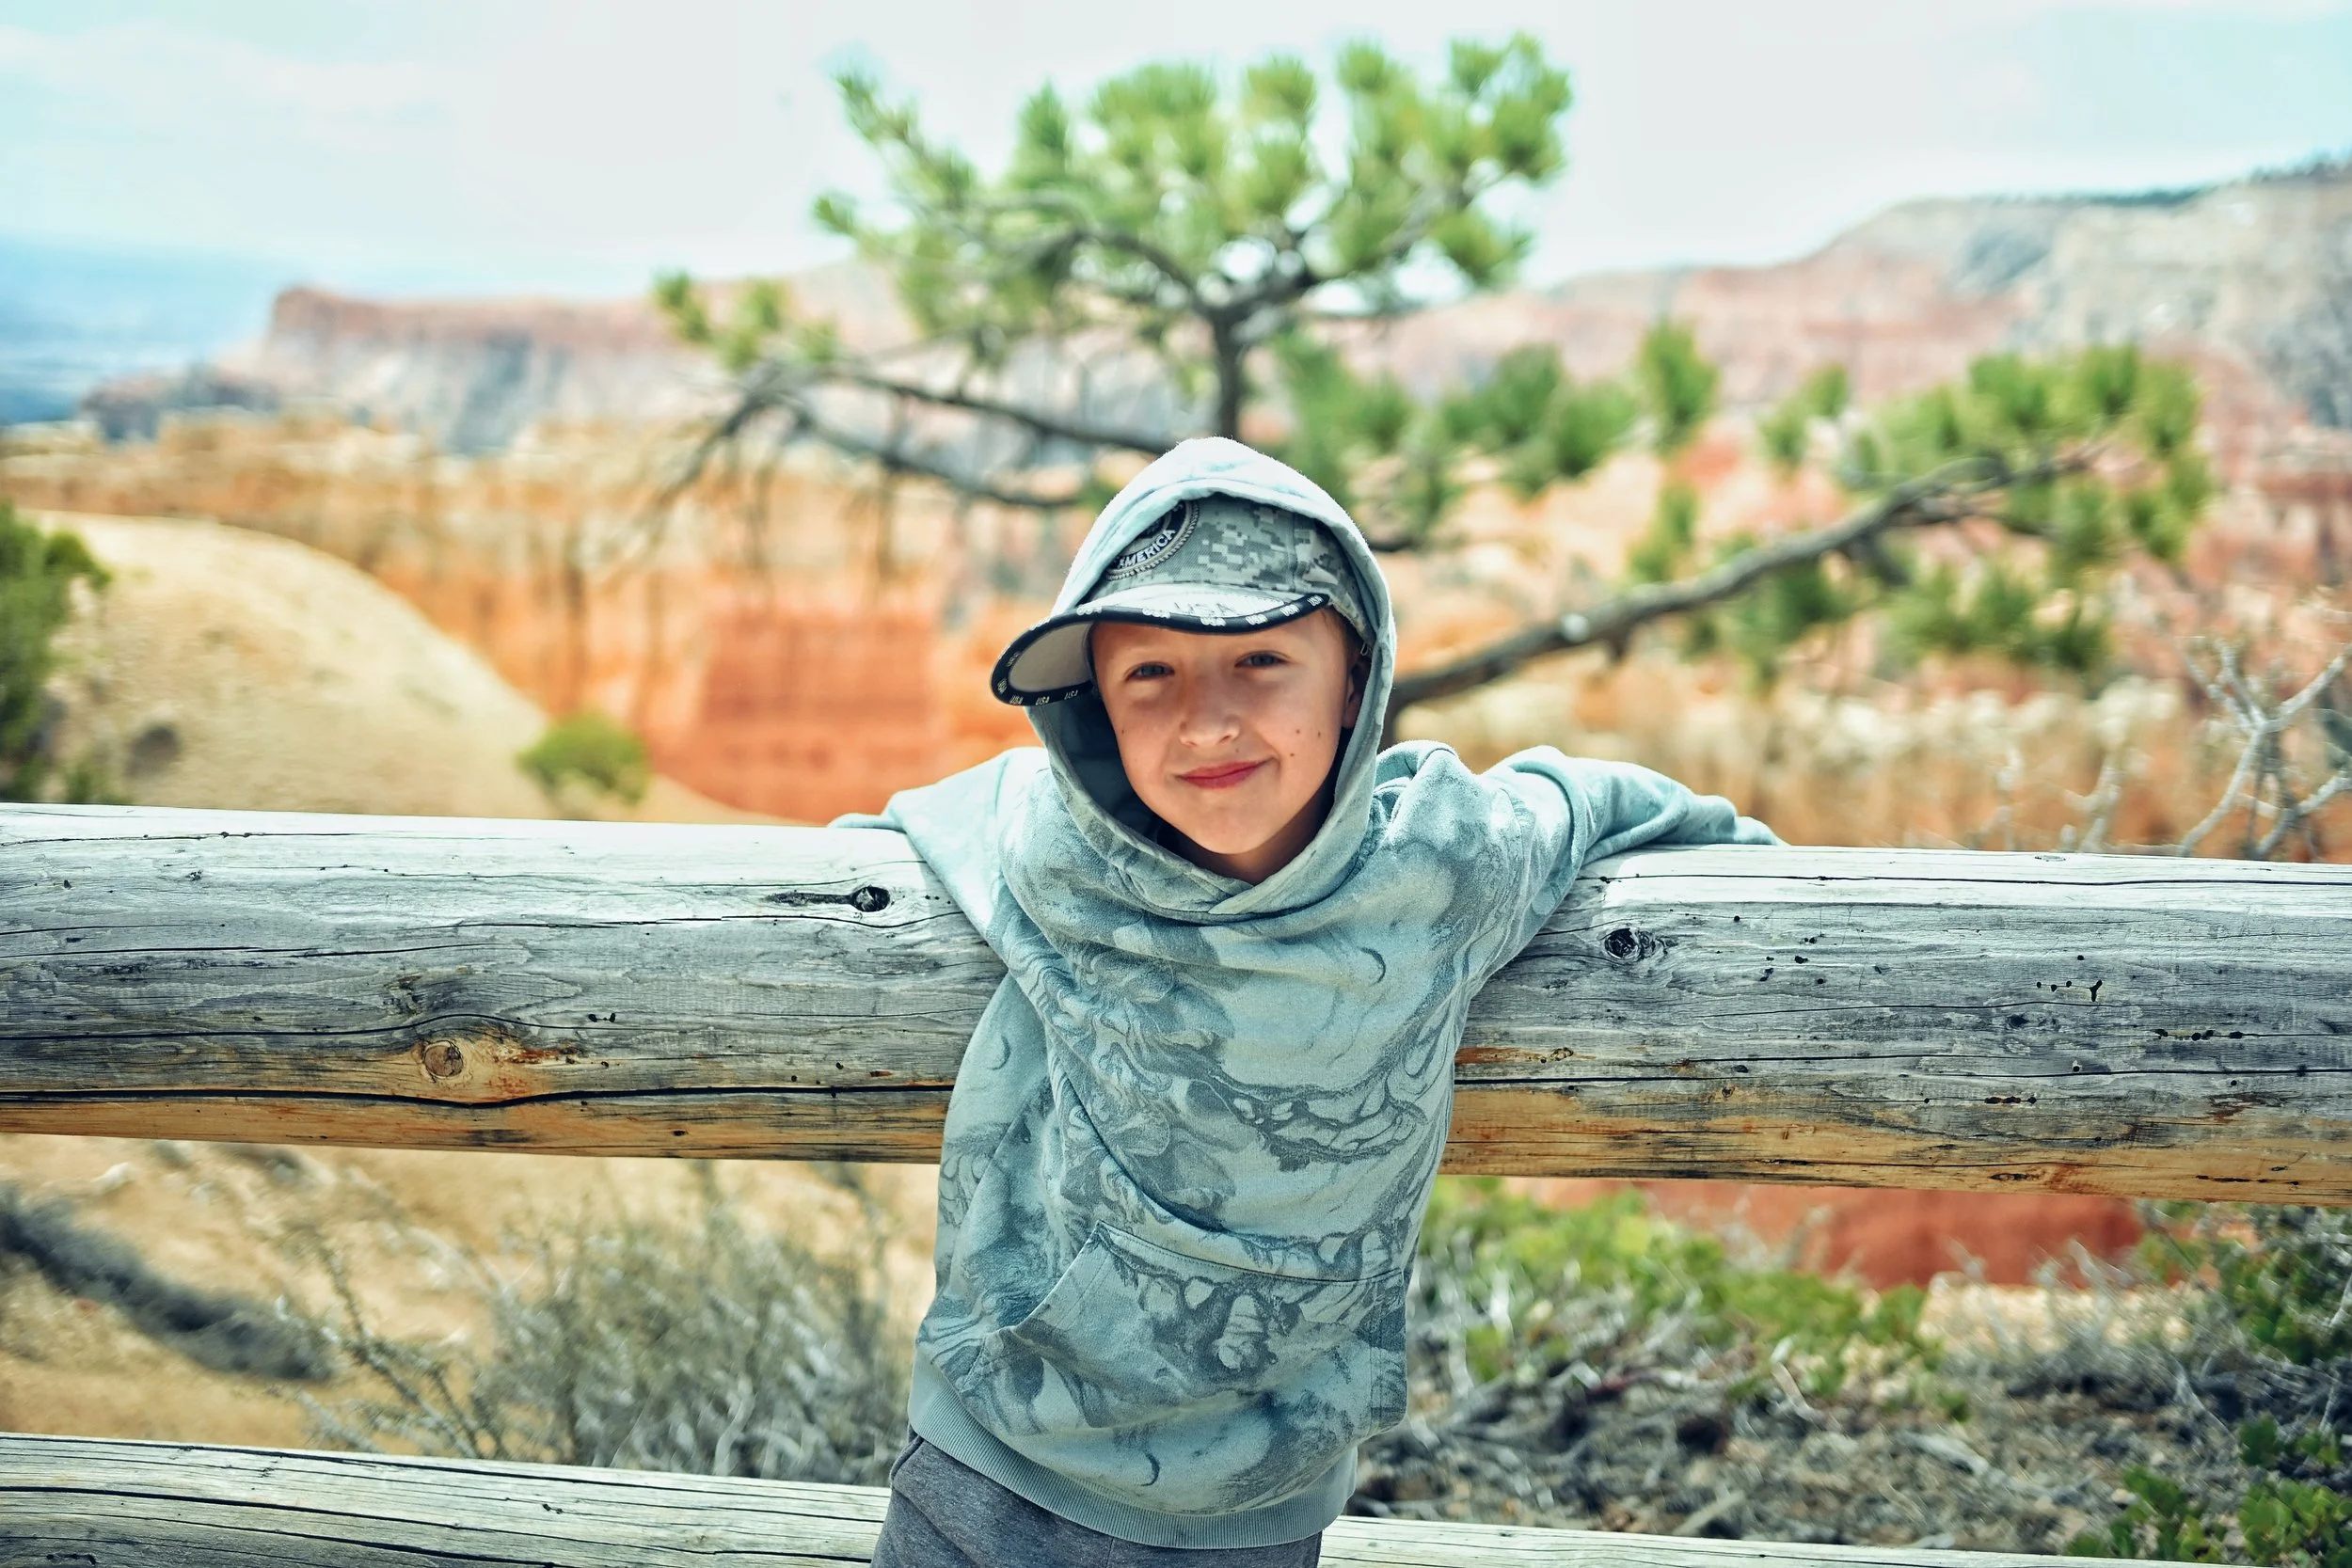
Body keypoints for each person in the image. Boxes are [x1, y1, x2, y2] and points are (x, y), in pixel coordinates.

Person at [842, 437, 1777, 1565]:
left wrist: (1754, 868)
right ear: (1092, 708)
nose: (1207, 721)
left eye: (1261, 662)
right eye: (1151, 674)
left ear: (1354, 678)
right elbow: (908, 826)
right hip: (994, 1463)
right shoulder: (1054, 844)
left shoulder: (1443, 861)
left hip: (1265, 1495)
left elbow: (1590, 801)